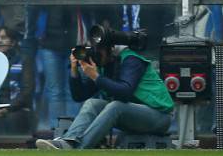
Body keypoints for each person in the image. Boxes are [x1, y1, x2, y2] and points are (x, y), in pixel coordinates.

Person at [35, 40, 174, 149]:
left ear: (110, 50)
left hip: (159, 117)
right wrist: (74, 69)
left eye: (99, 51)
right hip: (134, 117)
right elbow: (79, 96)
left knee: (116, 106)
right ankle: (68, 142)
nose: (96, 55)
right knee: (92, 103)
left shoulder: (131, 60)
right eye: (94, 51)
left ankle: (79, 148)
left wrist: (96, 77)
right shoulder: (103, 66)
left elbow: (125, 92)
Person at [28, 0, 99, 129]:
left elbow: (95, 4)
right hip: (50, 43)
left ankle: (76, 130)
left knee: (74, 89)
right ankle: (57, 130)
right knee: (55, 90)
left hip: (79, 44)